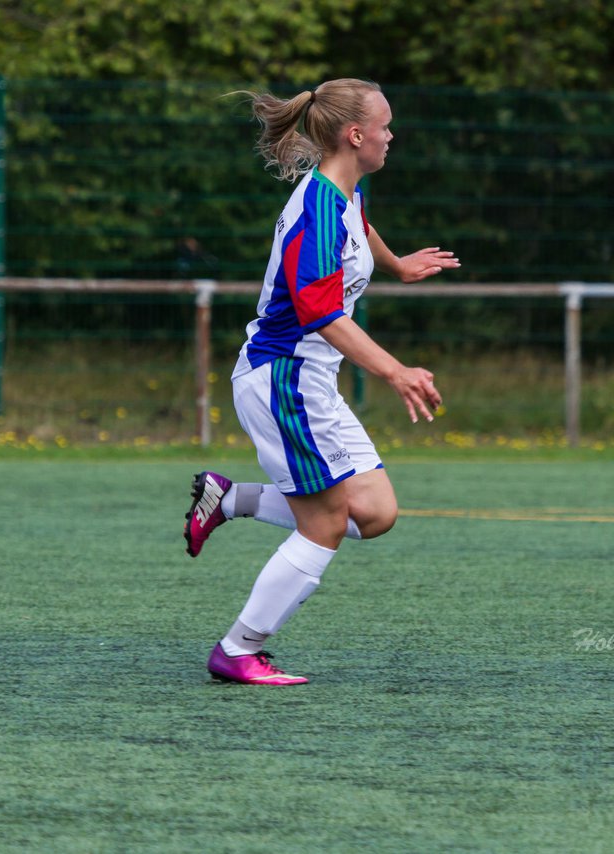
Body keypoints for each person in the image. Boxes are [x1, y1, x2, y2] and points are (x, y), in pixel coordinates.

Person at [186, 78, 460, 685]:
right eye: (385, 126)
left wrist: (397, 264)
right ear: (355, 135)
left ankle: (228, 499)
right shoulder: (316, 212)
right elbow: (319, 313)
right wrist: (395, 370)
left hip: (309, 383)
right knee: (327, 523)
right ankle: (239, 649)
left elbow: (359, 228)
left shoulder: (343, 192)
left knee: (375, 513)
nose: (392, 135)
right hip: (282, 378)